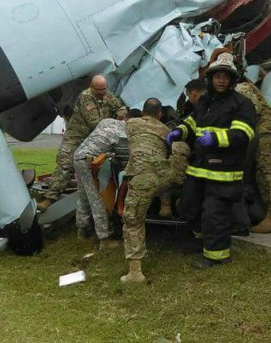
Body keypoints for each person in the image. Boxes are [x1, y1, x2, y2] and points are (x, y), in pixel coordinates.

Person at [167, 53, 256, 269]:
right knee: (189, 207)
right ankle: (203, 243)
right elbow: (192, 123)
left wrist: (216, 138)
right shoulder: (204, 102)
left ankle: (217, 256)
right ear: (211, 78)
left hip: (223, 172)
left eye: (226, 76)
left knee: (214, 214)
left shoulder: (241, 103)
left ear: (232, 79)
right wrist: (179, 131)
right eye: (218, 76)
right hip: (199, 169)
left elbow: (244, 133)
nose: (221, 80)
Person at [37, 75, 127, 211]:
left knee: (101, 166)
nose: (102, 92)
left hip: (93, 138)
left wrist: (121, 113)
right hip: (77, 137)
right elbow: (96, 123)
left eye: (104, 89)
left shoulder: (108, 95)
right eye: (98, 89)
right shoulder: (85, 97)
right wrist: (114, 123)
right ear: (91, 87)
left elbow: (120, 107)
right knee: (65, 164)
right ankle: (49, 198)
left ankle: (98, 201)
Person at [121, 98, 172, 283]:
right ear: (160, 114)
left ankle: (135, 273)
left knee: (132, 220)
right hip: (164, 180)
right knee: (161, 166)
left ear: (143, 112)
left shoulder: (132, 123)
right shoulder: (165, 130)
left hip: (142, 179)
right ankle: (166, 207)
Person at [73, 111, 136, 250]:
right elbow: (124, 158)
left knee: (84, 196)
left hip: (78, 156)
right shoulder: (124, 133)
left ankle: (81, 231)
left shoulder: (106, 121)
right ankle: (104, 239)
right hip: (90, 160)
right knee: (97, 199)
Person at [235, 77, 271, 233]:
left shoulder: (241, 88)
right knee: (259, 173)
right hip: (259, 133)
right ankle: (267, 215)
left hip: (264, 133)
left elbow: (252, 109)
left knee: (266, 172)